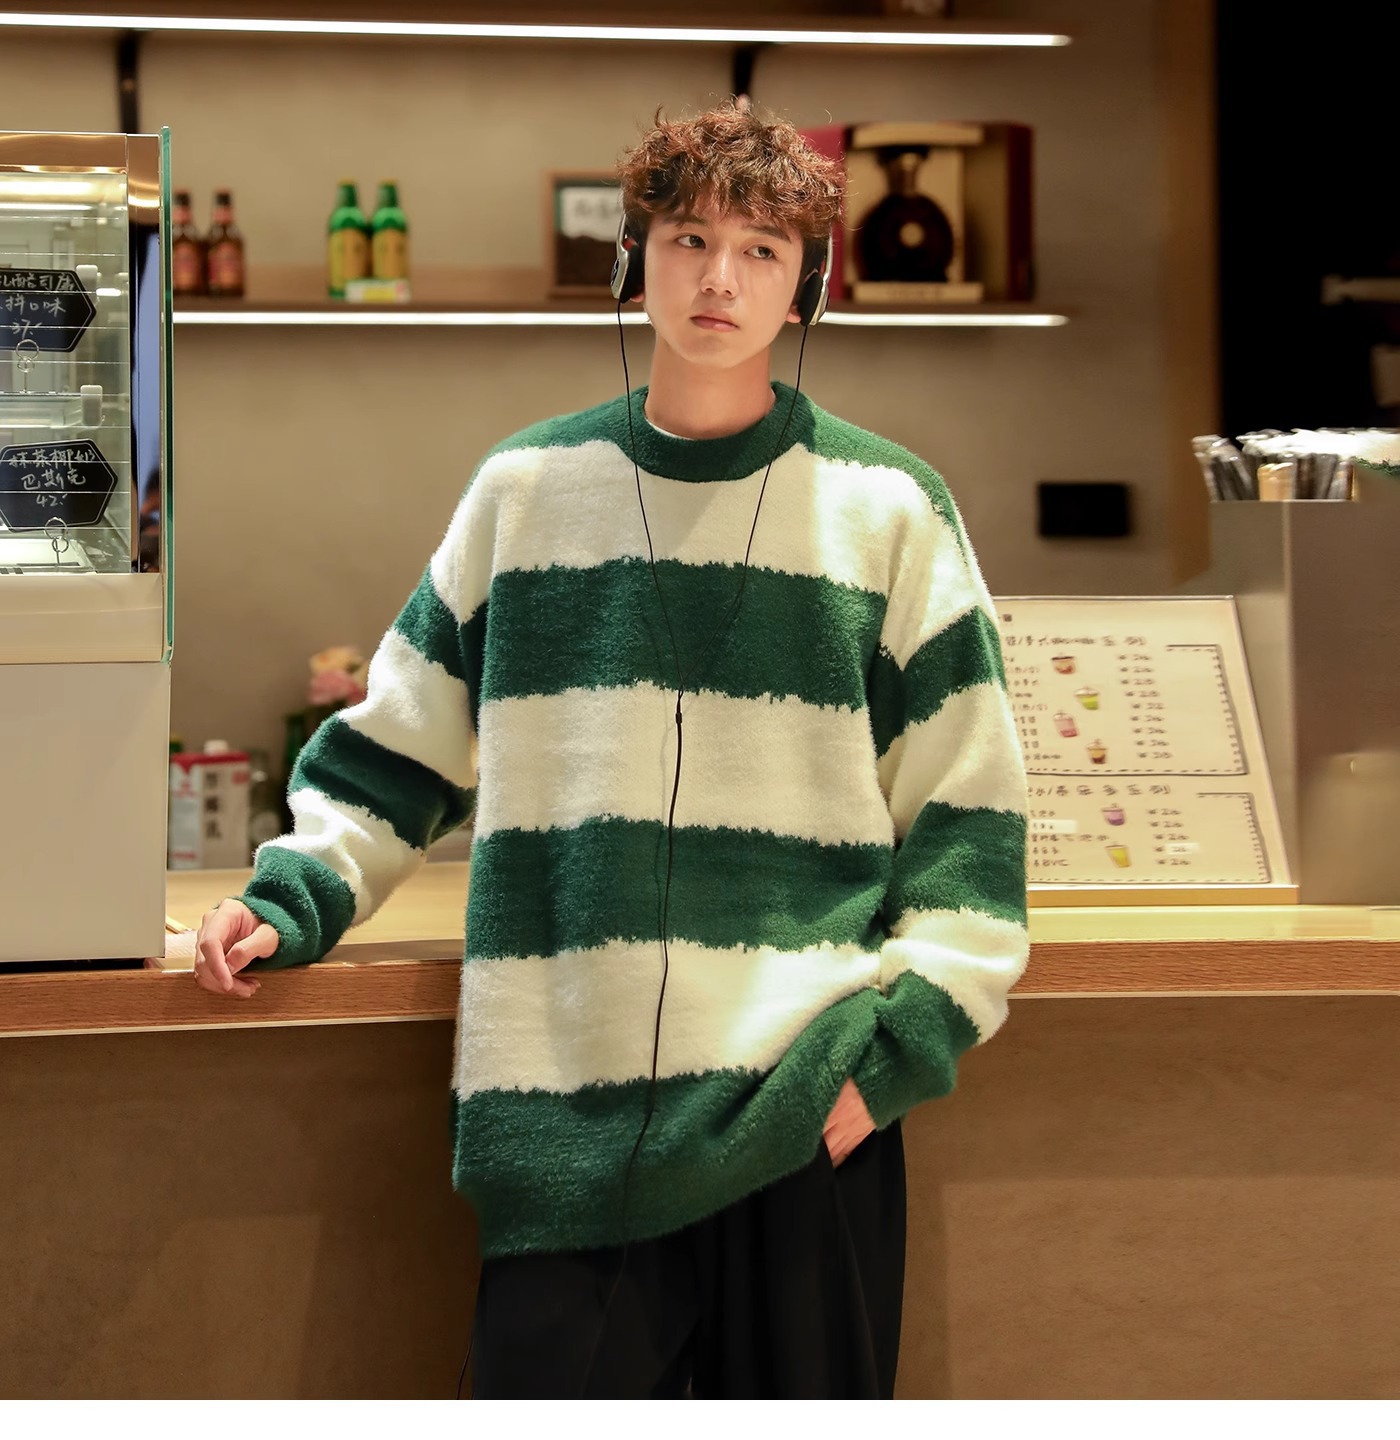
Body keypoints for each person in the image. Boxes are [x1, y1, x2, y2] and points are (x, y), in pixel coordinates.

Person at [194, 102, 1029, 1399]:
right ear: (633, 260)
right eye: (689, 239)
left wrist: (899, 1051)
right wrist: (292, 895)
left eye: (760, 250)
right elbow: (399, 747)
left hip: (803, 1109)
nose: (718, 278)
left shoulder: (889, 510)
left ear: (806, 284)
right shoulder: (526, 491)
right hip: (563, 1124)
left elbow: (970, 813)